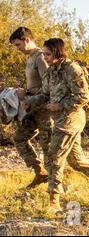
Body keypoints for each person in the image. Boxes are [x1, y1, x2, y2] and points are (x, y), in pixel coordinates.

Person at [23, 38, 89, 213]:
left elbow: (82, 97)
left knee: (54, 157)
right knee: (77, 161)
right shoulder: (51, 71)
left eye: (47, 54)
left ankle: (54, 201)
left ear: (57, 53)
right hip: (60, 120)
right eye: (44, 53)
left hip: (72, 120)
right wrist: (30, 102)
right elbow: (45, 94)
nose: (44, 57)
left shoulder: (72, 69)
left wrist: (60, 105)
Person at [9, 27, 52, 189]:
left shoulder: (41, 57)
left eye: (18, 44)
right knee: (19, 138)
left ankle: (56, 186)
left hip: (44, 109)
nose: (17, 49)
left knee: (48, 146)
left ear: (27, 40)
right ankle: (40, 172)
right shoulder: (30, 58)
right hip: (31, 108)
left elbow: (49, 85)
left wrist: (26, 92)